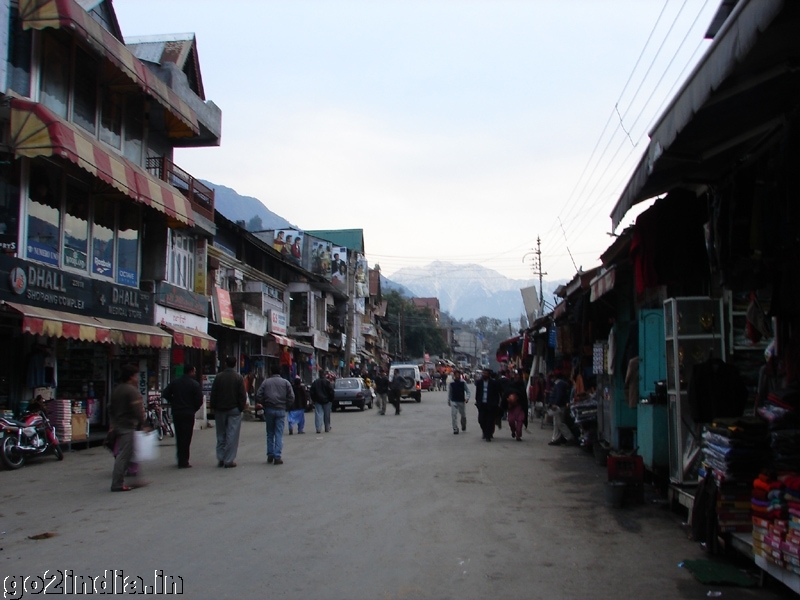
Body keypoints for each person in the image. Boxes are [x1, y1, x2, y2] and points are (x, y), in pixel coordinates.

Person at [109, 364, 147, 492]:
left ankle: (134, 478)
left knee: (130, 453)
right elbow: (137, 410)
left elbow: (110, 408)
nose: (137, 378)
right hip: (127, 426)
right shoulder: (130, 390)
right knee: (124, 455)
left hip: (119, 425)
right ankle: (117, 483)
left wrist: (113, 423)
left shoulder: (117, 389)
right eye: (135, 375)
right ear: (131, 376)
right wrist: (143, 424)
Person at [161, 364, 203, 468]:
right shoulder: (194, 384)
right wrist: (193, 408)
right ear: (192, 371)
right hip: (188, 413)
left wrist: (174, 401)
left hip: (177, 412)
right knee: (187, 436)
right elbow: (199, 400)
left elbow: (165, 393)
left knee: (179, 436)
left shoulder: (175, 382)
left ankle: (180, 458)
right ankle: (184, 460)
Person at [210, 356, 247, 468]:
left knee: (221, 434)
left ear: (225, 364)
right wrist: (240, 408)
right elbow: (242, 395)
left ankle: (221, 458)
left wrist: (213, 407)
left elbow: (214, 393)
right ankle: (229, 460)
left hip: (220, 409)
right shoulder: (238, 378)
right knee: (232, 435)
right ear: (235, 364)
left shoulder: (219, 377)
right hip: (234, 409)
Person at [255, 367, 295, 465]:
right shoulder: (286, 383)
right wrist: (286, 406)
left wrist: (264, 403)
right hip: (281, 410)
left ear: (270, 372)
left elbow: (258, 395)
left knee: (270, 433)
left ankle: (270, 454)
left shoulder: (266, 382)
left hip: (269, 409)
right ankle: (277, 456)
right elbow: (291, 397)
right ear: (280, 372)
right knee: (278, 433)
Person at [547, 370, 577, 446]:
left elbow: (559, 395)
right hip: (559, 405)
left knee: (560, 423)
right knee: (556, 423)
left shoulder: (559, 384)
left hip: (559, 406)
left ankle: (570, 437)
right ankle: (555, 439)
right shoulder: (560, 383)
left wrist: (555, 404)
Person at [473, 368, 500, 441]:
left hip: (491, 404)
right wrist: (477, 401)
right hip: (482, 404)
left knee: (490, 420)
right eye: (483, 373)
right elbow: (477, 393)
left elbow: (496, 394)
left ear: (489, 375)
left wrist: (496, 403)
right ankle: (485, 432)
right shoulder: (479, 383)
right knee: (481, 420)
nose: (484, 374)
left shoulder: (493, 383)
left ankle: (488, 435)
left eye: (486, 373)